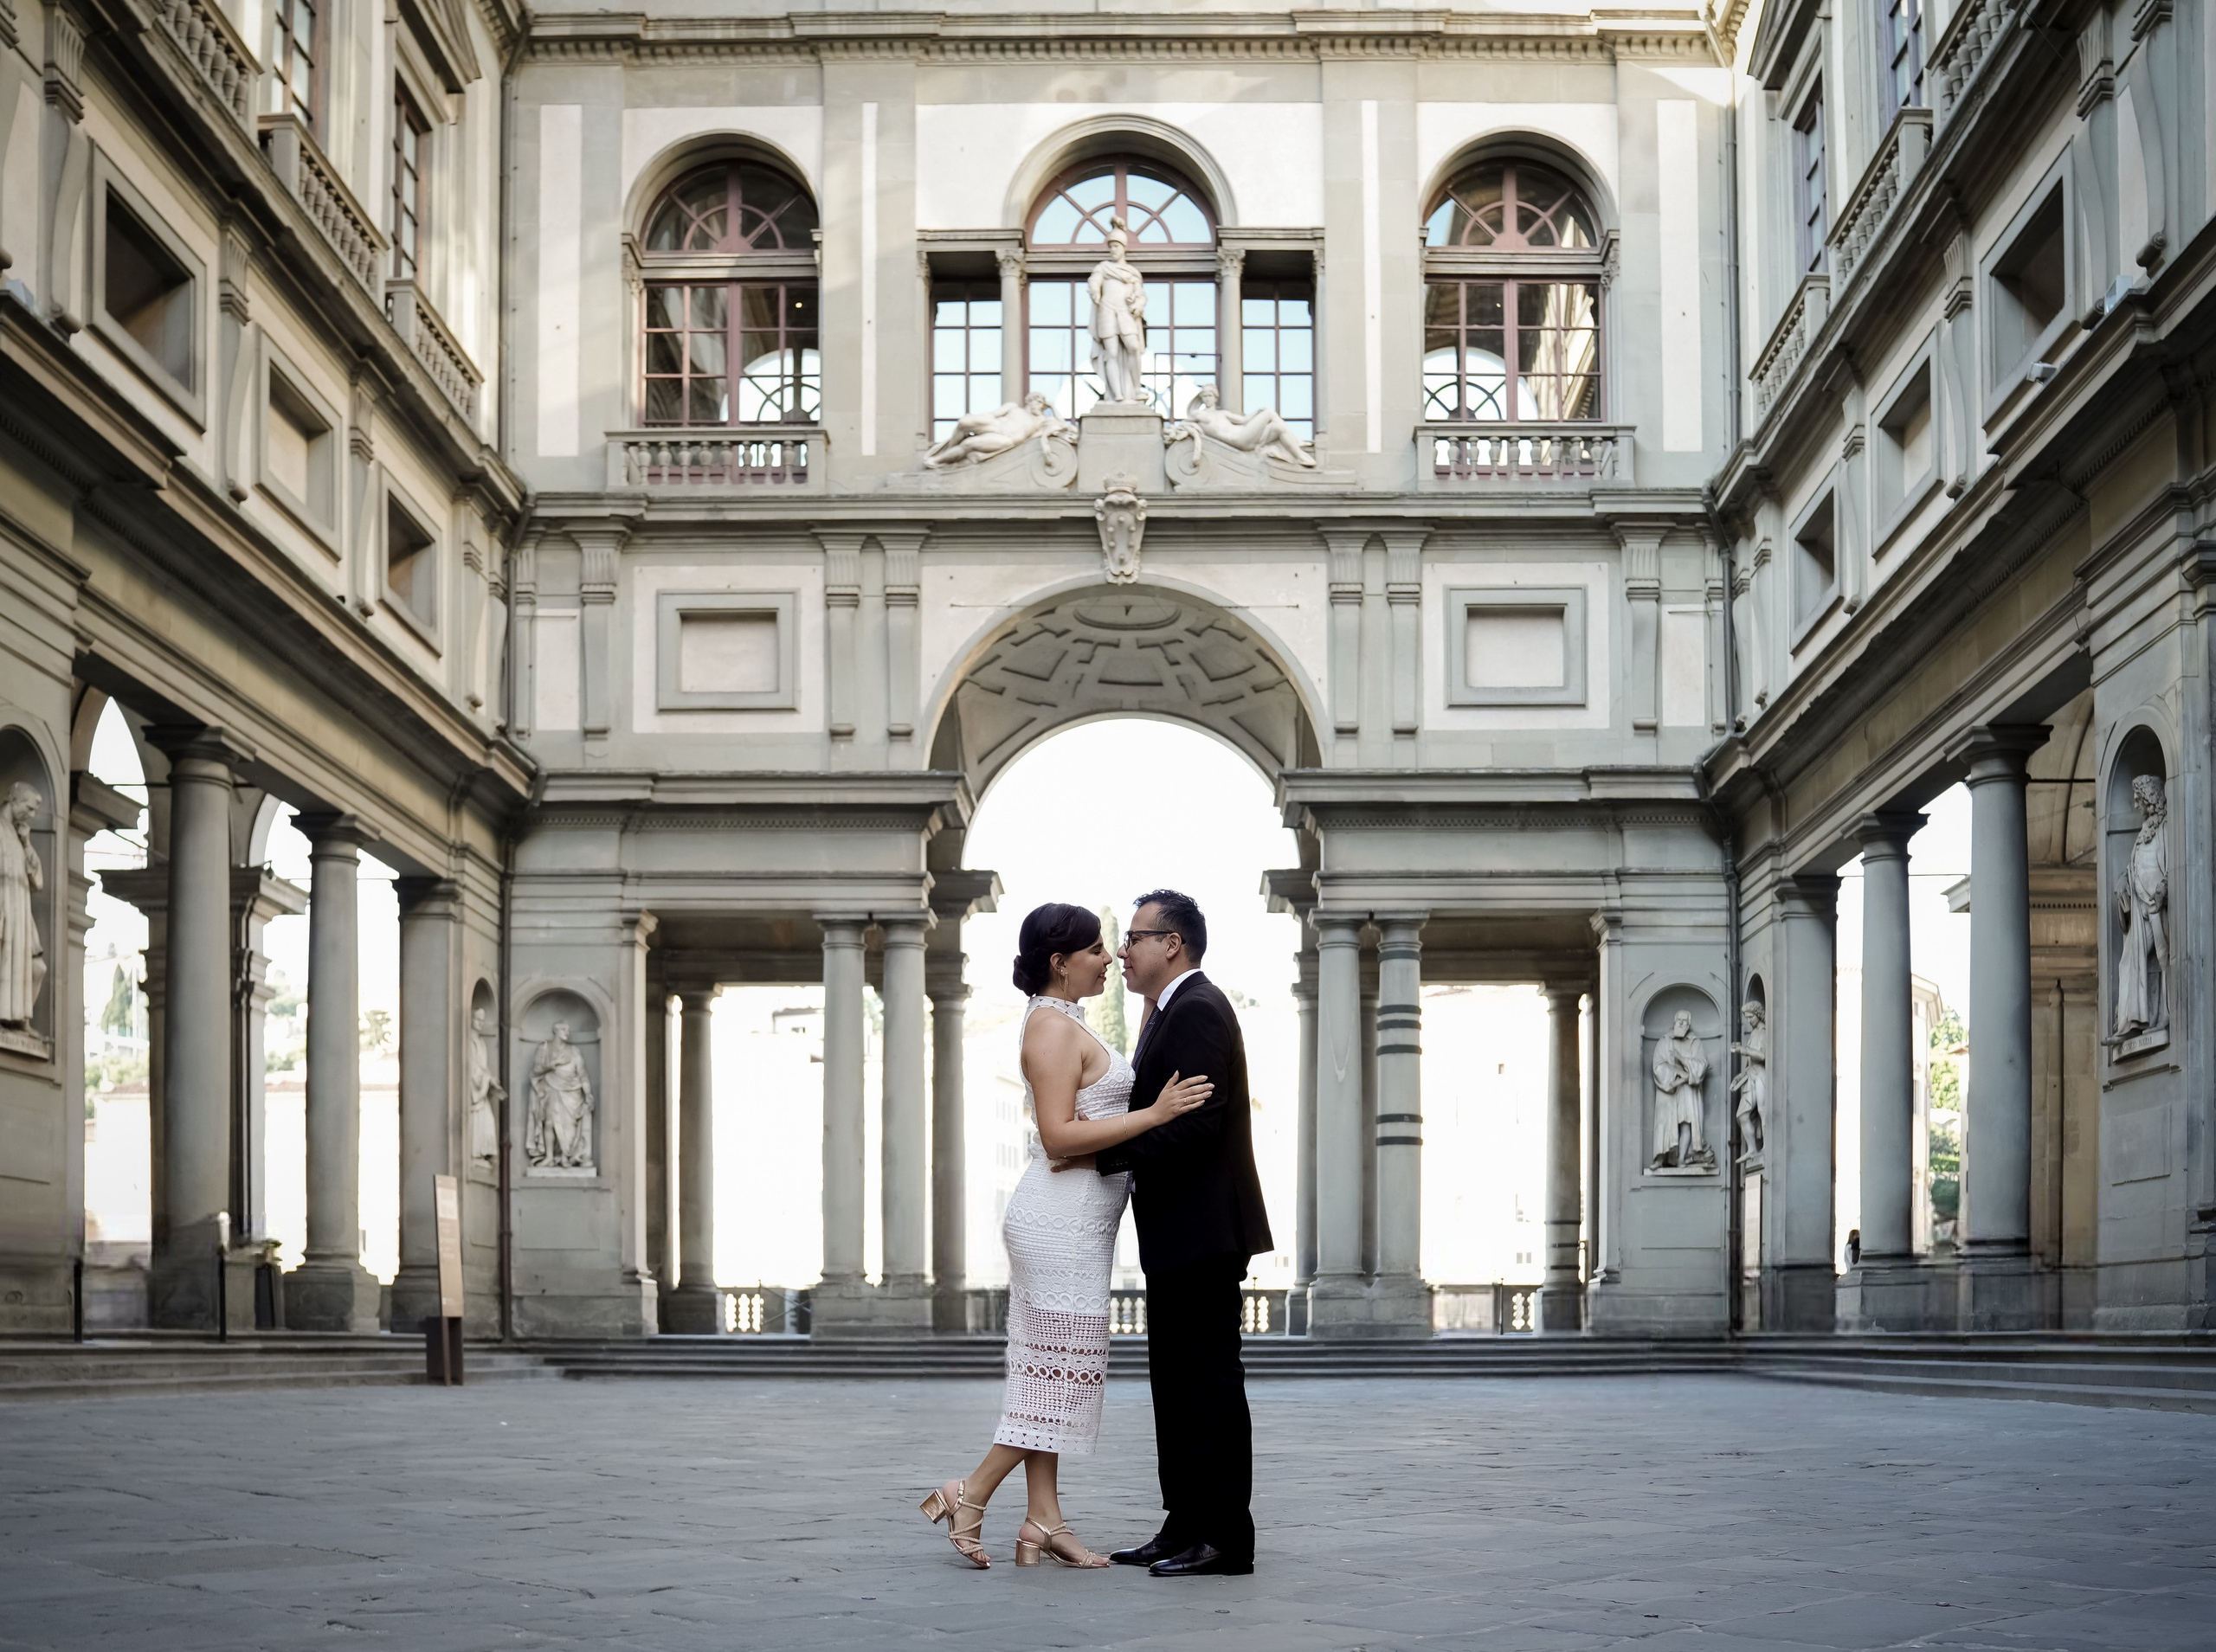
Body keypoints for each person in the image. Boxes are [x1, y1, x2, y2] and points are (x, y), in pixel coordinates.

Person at [920, 903, 1213, 1570]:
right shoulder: (1050, 1028)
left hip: (1076, 1218)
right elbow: (1057, 1135)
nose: (1108, 958)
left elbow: (1089, 1107)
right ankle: (969, 1491)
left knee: (1043, 1374)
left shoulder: (1066, 1021)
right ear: (1060, 962)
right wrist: (1157, 1113)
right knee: (1063, 1378)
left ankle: (1043, 1520)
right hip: (1060, 1224)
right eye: (1096, 949)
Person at [1098, 890, 1272, 1578]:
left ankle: (1226, 1537)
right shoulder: (1171, 1010)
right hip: (1181, 1235)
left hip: (1204, 1233)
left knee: (1207, 1389)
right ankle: (1184, 1523)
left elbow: (1195, 1125)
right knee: (1175, 1387)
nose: (1122, 949)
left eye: (1134, 937)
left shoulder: (1197, 1010)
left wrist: (1106, 1152)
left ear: (1172, 942)